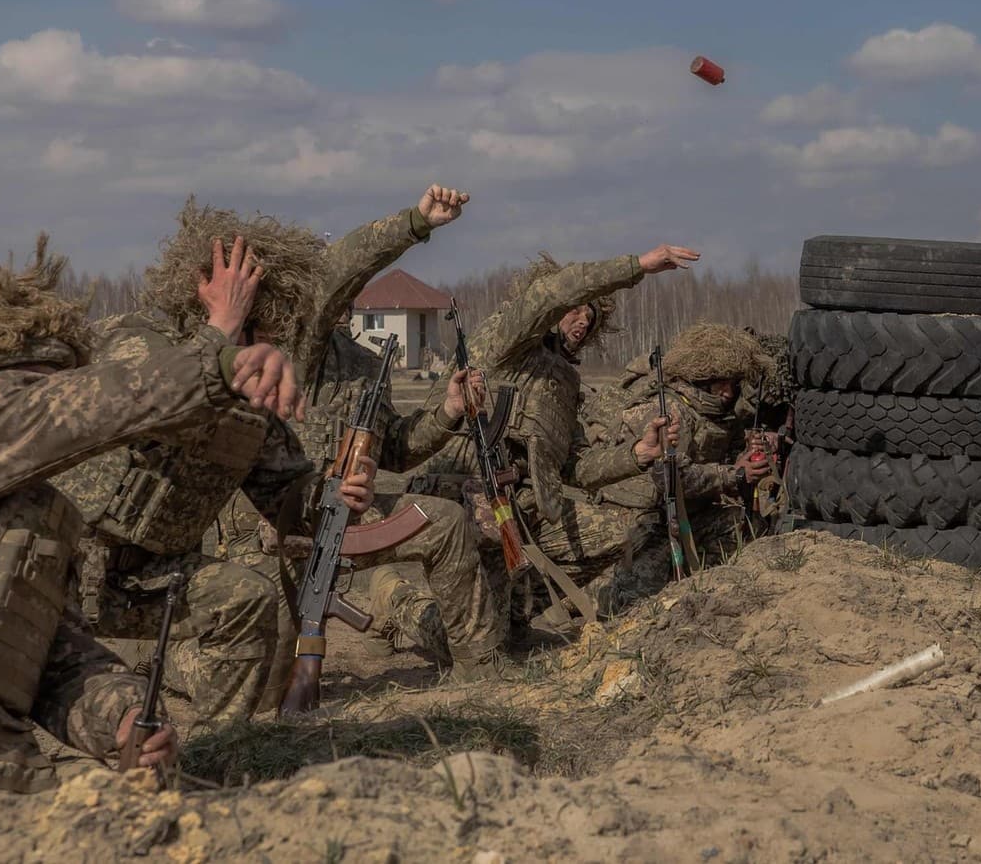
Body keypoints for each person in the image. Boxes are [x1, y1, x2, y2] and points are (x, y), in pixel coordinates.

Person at [0, 238, 302, 809]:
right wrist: (219, 349)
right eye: (35, 384)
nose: (46, 402)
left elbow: (52, 659)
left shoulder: (37, 518)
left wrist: (123, 718)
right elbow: (83, 407)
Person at [51, 209, 375, 724]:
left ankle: (217, 755)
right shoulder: (133, 337)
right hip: (54, 572)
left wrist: (337, 498)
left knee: (246, 599)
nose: (264, 341)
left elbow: (291, 498)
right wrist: (220, 330)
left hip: (143, 581)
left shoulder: (249, 408)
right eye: (255, 323)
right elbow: (157, 394)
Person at [214, 185, 506, 694]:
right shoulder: (262, 354)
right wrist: (416, 222)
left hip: (352, 517)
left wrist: (448, 411)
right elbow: (347, 262)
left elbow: (396, 447)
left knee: (445, 521)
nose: (343, 301)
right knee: (268, 692)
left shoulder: (363, 363)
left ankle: (480, 672)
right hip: (267, 534)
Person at [413, 245, 694, 644]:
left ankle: (516, 611)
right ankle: (399, 601)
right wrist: (637, 267)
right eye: (575, 311)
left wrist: (638, 454)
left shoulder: (565, 381)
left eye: (589, 319)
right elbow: (548, 295)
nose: (582, 322)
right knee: (462, 644)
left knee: (613, 532)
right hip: (461, 501)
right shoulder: (507, 342)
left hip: (520, 509)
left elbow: (575, 464)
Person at [593, 324, 775, 604]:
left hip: (688, 514)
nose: (728, 392)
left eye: (733, 383)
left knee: (746, 526)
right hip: (643, 520)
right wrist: (734, 475)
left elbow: (728, 468)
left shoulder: (722, 417)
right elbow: (674, 477)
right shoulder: (670, 410)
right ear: (702, 377)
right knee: (630, 602)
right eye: (721, 382)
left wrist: (745, 464)